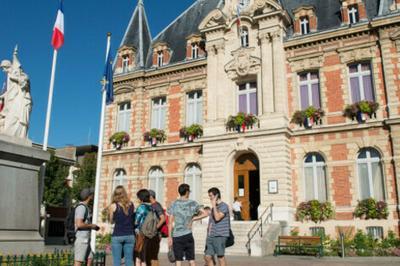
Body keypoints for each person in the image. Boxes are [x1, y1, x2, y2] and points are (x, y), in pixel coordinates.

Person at [168, 184, 208, 266]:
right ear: (187, 192)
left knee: (178, 260)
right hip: (188, 234)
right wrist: (193, 219)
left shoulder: (174, 204)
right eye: (189, 191)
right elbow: (205, 213)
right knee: (191, 260)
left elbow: (170, 222)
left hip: (177, 235)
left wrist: (169, 237)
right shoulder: (193, 203)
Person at [108, 186, 135, 266]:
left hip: (118, 234)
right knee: (129, 260)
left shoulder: (113, 206)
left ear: (115, 194)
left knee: (117, 260)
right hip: (130, 235)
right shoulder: (131, 204)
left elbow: (111, 221)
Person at [205, 187, 231, 266]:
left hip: (220, 235)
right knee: (207, 257)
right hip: (211, 235)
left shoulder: (224, 206)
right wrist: (208, 234)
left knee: (220, 257)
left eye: (211, 196)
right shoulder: (214, 208)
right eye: (209, 196)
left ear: (216, 196)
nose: (210, 198)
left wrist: (213, 205)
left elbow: (217, 218)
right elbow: (211, 222)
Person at [74, 188, 100, 266]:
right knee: (78, 262)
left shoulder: (85, 207)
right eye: (92, 194)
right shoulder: (81, 207)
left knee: (90, 258)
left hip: (85, 240)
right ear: (89, 196)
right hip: (81, 240)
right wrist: (92, 226)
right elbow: (79, 224)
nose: (93, 196)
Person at [134, 189, 153, 266]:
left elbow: (136, 222)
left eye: (138, 197)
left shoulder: (141, 207)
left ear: (141, 198)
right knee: (144, 254)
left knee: (138, 255)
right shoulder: (151, 207)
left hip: (140, 233)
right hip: (149, 232)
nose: (137, 199)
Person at [148, 190, 166, 266]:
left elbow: (163, 218)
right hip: (153, 234)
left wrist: (154, 228)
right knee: (151, 256)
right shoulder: (153, 205)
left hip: (156, 234)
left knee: (153, 256)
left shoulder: (156, 205)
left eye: (147, 196)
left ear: (151, 197)